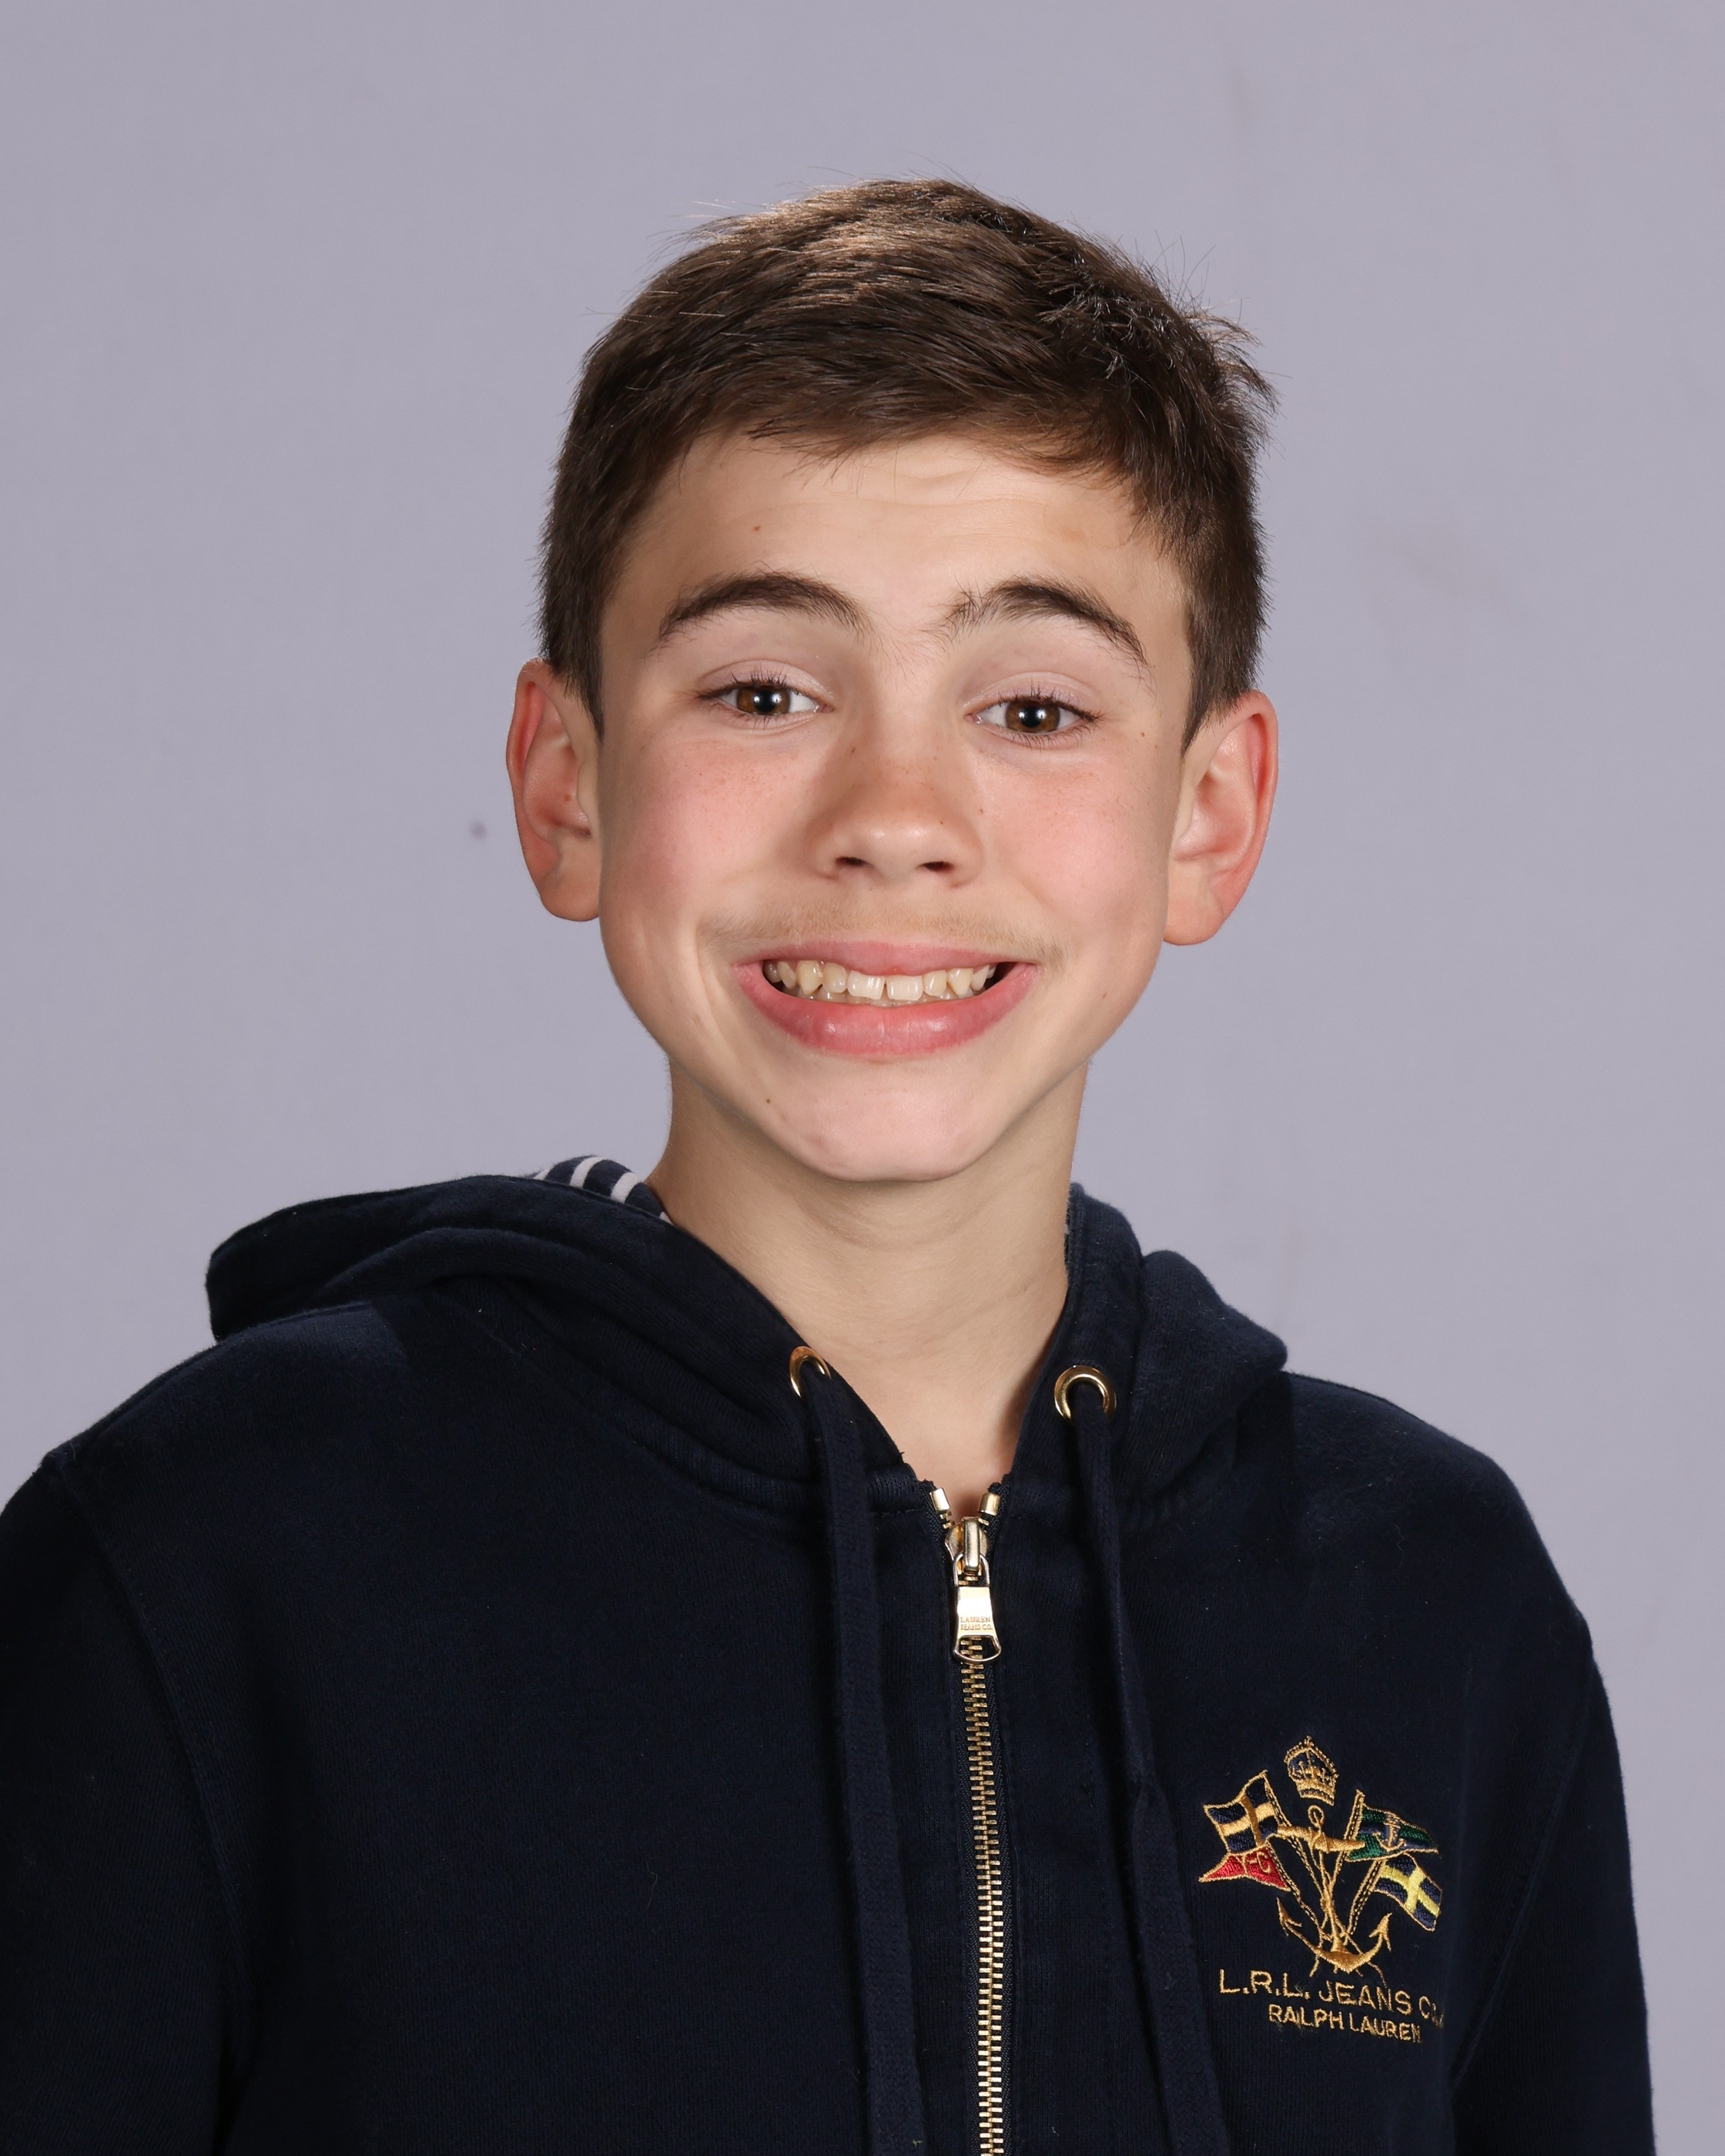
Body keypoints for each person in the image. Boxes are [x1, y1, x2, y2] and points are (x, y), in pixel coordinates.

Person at [0, 181, 1651, 2154]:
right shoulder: (203, 1567)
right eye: (764, 692)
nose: (894, 815)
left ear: (1208, 812)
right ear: (566, 784)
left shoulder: (1430, 1605)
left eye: (1031, 707)